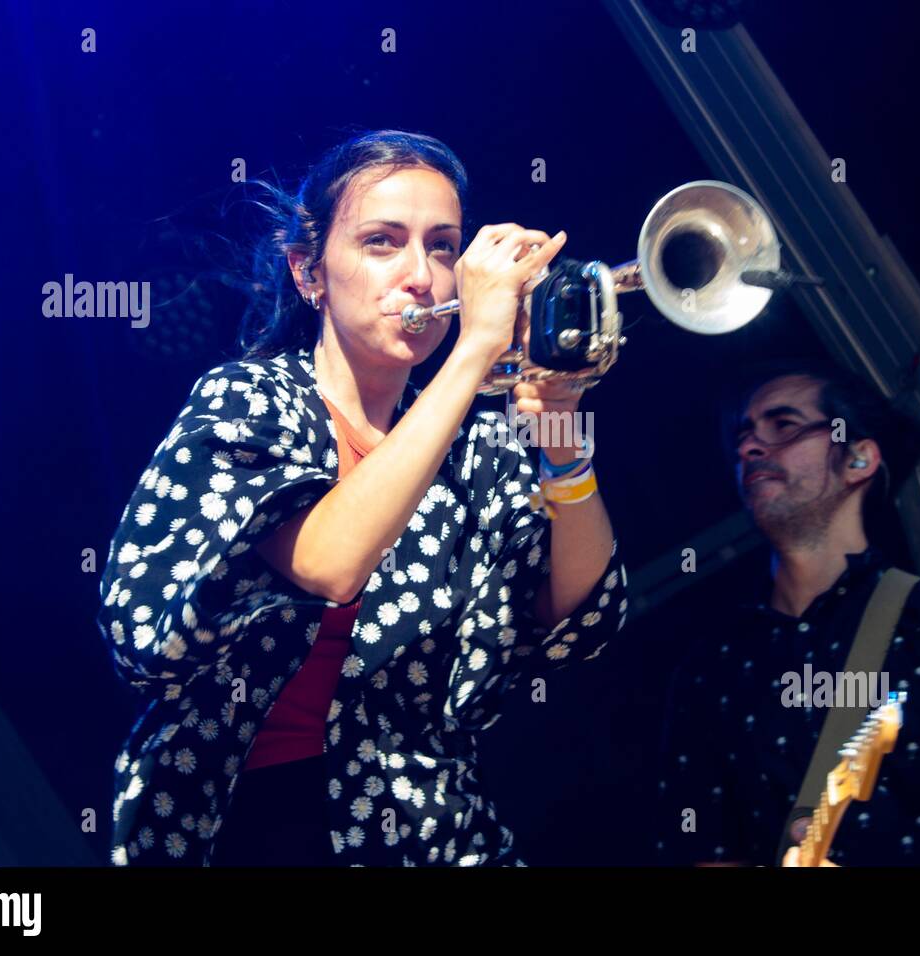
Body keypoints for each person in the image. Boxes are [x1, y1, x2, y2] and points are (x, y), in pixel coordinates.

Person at [98, 129, 628, 866]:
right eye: (383, 242)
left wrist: (563, 429)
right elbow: (328, 562)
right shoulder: (251, 403)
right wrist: (475, 347)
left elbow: (579, 622)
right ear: (309, 272)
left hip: (421, 833)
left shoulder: (475, 448)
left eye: (443, 248)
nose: (421, 275)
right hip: (237, 827)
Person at [653, 357, 920, 867]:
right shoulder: (708, 672)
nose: (749, 446)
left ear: (859, 460)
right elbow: (706, 851)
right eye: (745, 435)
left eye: (784, 426)